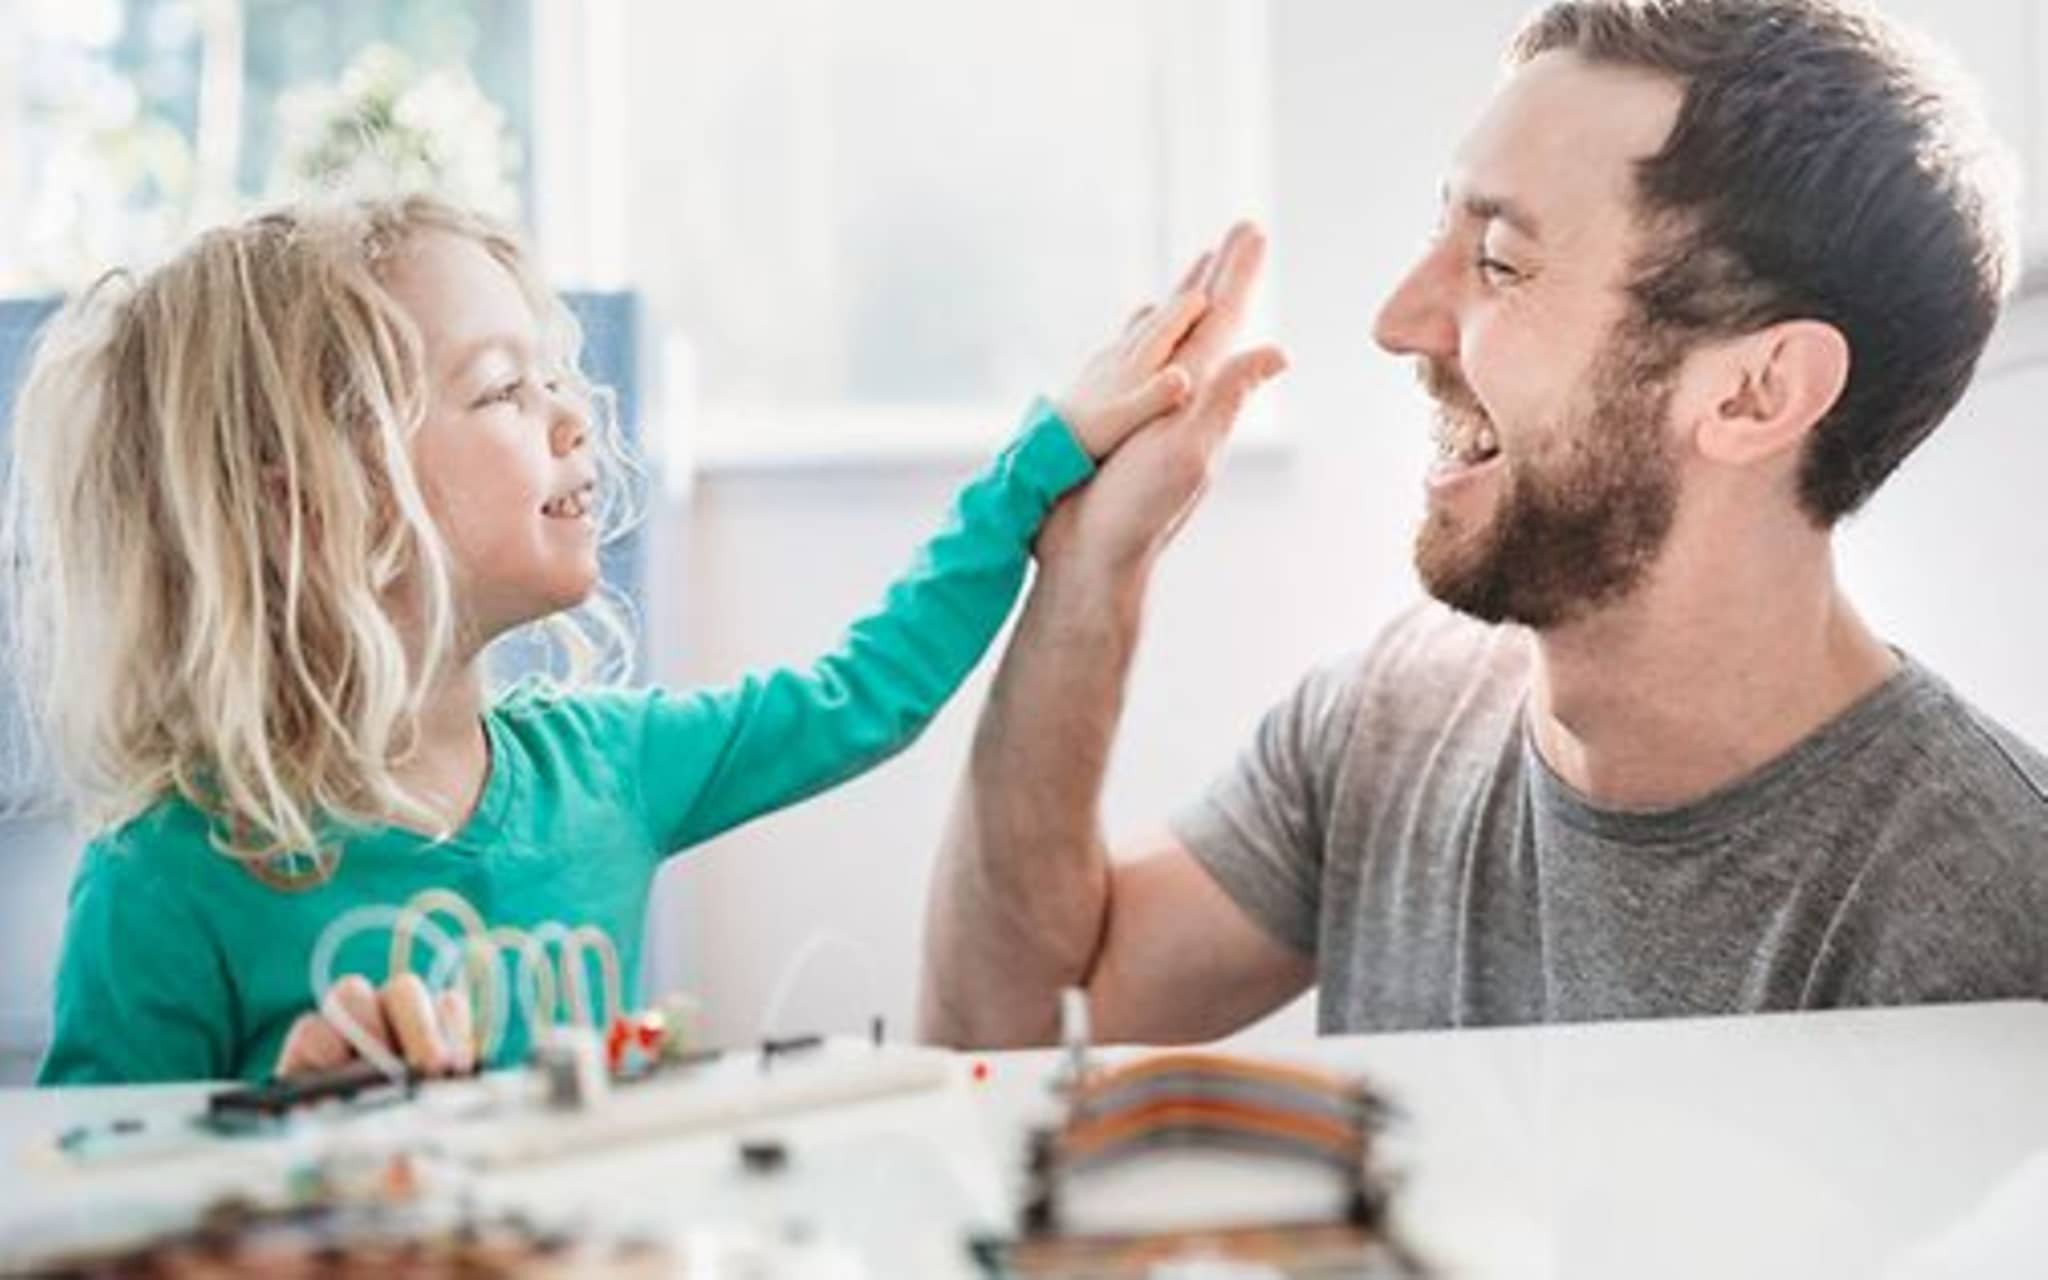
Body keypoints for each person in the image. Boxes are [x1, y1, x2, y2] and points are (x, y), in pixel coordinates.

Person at [919, 0, 2048, 1049]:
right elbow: (1010, 1034)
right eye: (1439, 237)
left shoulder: (1978, 915)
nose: (1396, 320)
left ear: (1755, 392)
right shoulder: (1395, 715)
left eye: (1498, 263)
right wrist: (1088, 568)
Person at [8, 195, 1284, 1083]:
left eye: (554, 373)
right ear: (309, 492)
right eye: (505, 388)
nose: (576, 416)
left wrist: (1045, 456)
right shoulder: (167, 876)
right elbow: (85, 1193)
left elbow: (868, 692)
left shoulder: (607, 766)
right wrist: (269, 1135)